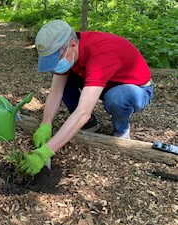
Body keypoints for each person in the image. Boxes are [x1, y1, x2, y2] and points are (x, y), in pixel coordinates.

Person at [20, 20, 153, 176]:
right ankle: (90, 126)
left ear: (73, 45)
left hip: (134, 88)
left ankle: (122, 130)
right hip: (104, 82)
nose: (55, 64)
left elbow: (83, 112)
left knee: (116, 99)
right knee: (61, 76)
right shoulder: (70, 53)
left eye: (57, 58)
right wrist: (46, 123)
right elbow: (56, 92)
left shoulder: (101, 54)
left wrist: (45, 152)